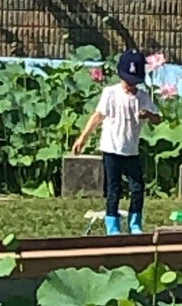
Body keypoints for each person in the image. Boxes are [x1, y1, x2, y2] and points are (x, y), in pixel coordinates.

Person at [72, 50, 162, 235]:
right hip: (111, 148)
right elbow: (97, 116)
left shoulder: (143, 97)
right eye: (127, 81)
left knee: (138, 187)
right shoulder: (110, 93)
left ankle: (135, 222)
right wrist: (83, 138)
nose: (130, 85)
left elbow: (158, 119)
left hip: (131, 150)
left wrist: (149, 115)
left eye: (134, 82)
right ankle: (112, 225)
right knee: (114, 188)